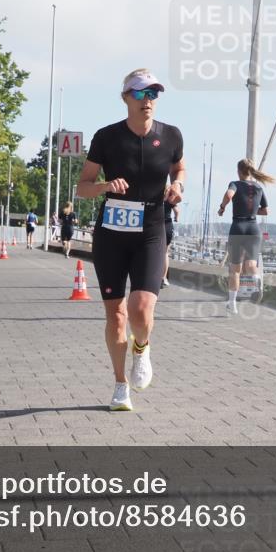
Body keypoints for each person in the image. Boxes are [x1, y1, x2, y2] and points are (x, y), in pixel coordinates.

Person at [77, 69, 184, 412]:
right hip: (112, 232)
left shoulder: (171, 136)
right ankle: (120, 384)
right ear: (125, 98)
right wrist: (106, 187)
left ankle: (143, 348)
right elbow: (82, 187)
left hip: (152, 227)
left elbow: (179, 168)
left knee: (140, 308)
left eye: (153, 93)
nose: (147, 100)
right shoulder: (107, 137)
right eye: (139, 94)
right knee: (117, 316)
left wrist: (178, 186)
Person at [218, 158, 275, 313]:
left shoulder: (235, 184)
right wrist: (251, 210)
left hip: (238, 227)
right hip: (253, 229)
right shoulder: (259, 187)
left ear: (238, 171)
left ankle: (232, 304)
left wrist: (222, 207)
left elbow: (229, 195)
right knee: (250, 265)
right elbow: (265, 211)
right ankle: (257, 283)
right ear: (250, 172)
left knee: (235, 269)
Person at [162, 201, 179, 288]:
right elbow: (177, 211)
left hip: (155, 225)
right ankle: (163, 278)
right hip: (167, 225)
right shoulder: (170, 199)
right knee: (165, 253)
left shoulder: (154, 196)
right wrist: (176, 218)